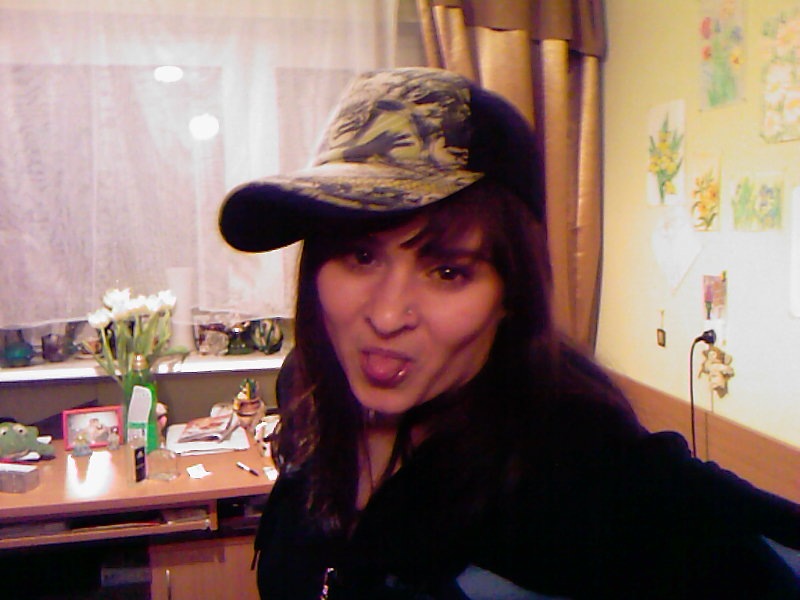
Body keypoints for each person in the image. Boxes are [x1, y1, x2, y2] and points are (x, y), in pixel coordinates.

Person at [218, 67, 800, 599]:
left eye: (448, 272)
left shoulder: (588, 474)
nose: (388, 316)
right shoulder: (309, 392)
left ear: (510, 297)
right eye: (360, 256)